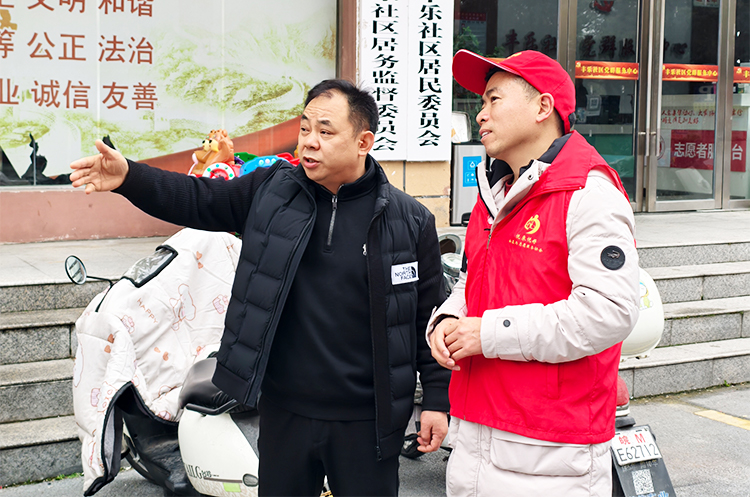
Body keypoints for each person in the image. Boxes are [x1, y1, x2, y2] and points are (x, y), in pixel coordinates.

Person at [70, 79, 450, 497]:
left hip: (367, 420)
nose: (309, 142)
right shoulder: (272, 191)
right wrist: (130, 177)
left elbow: (428, 319)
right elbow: (197, 198)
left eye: (325, 131)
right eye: (304, 128)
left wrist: (436, 400)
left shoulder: (409, 221)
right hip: (284, 411)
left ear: (363, 142)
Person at [428, 50, 640, 496]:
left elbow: (609, 311)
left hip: (550, 448)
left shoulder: (588, 192)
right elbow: (473, 279)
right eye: (481, 103)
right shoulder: (496, 191)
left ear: (543, 107)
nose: (480, 115)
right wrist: (448, 318)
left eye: (493, 99)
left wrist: (488, 333)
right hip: (477, 431)